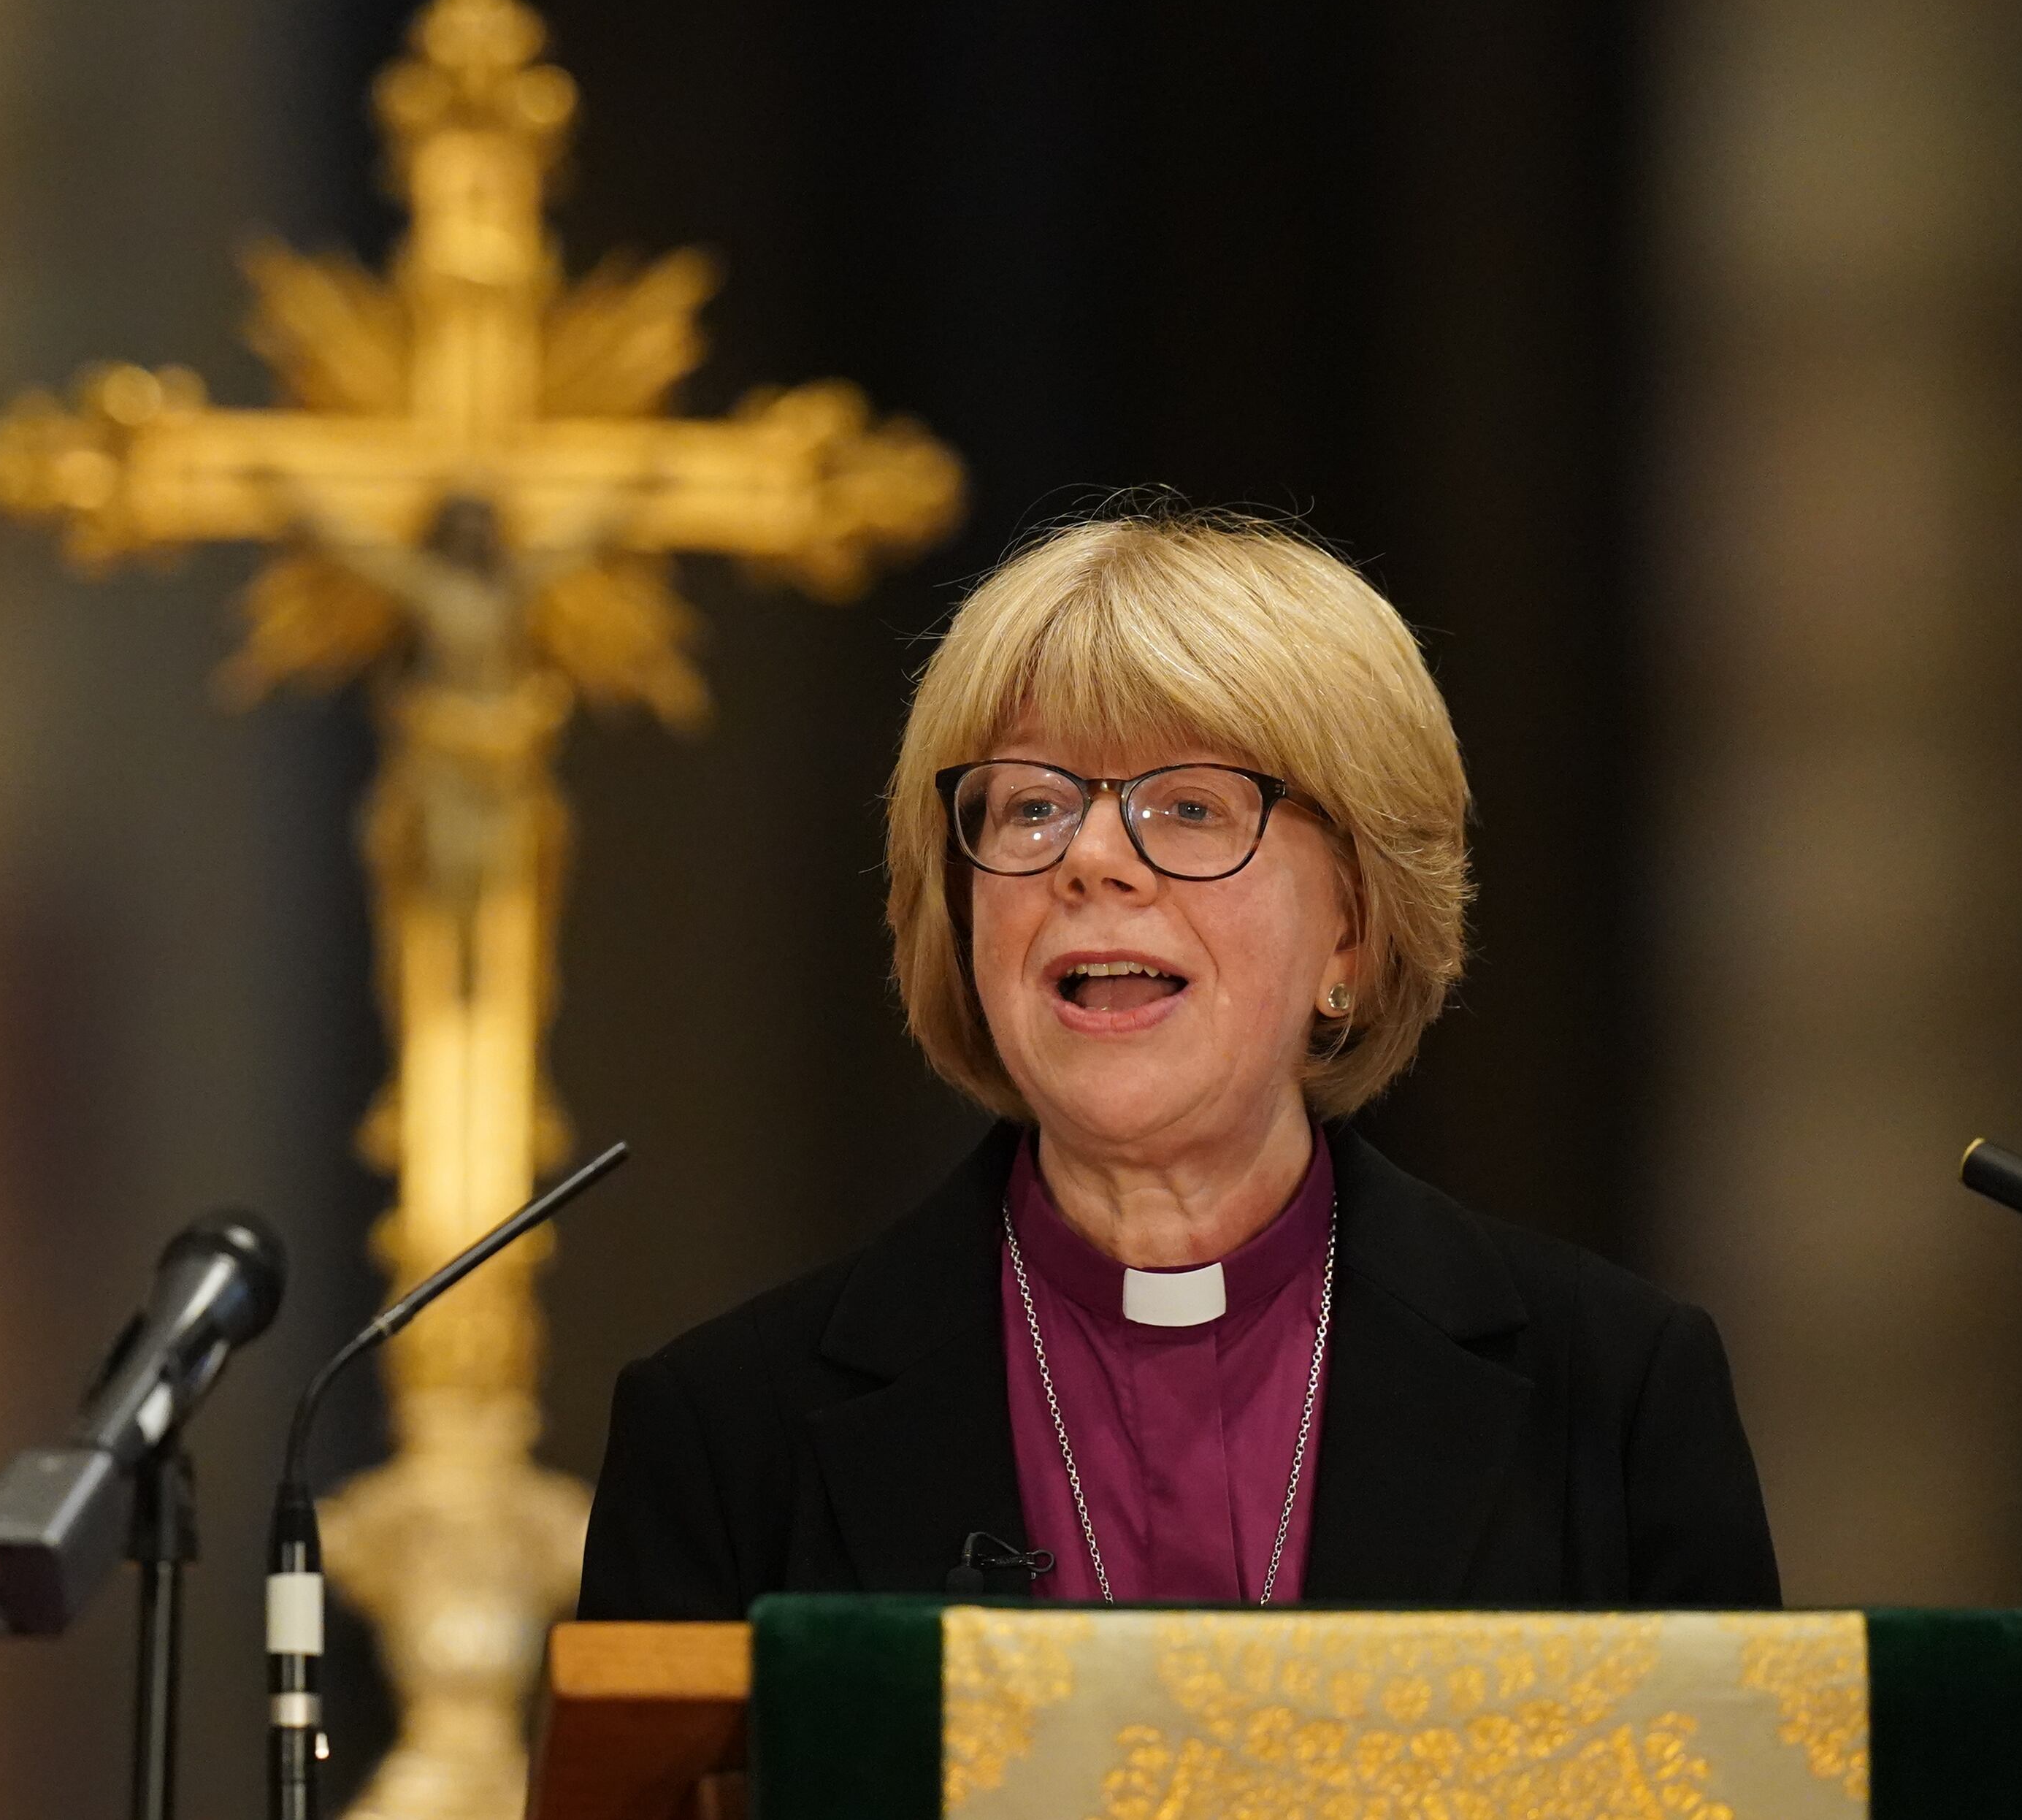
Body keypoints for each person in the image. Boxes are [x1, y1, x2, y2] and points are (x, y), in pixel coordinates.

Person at [575, 508, 1778, 1615]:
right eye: (1032, 806)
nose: (1093, 857)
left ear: (1352, 930)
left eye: (1192, 806)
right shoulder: (731, 1432)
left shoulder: (1612, 1396)